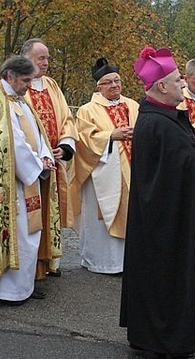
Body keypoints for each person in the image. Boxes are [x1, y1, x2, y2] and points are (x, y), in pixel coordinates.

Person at [120, 46, 195, 359]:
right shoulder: (156, 123)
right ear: (161, 86)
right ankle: (162, 342)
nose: (183, 84)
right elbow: (172, 169)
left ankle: (175, 339)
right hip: (164, 223)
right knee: (165, 279)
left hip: (177, 215)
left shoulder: (167, 118)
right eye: (178, 79)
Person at [0, 56, 60, 305]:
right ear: (10, 76)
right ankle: (10, 291)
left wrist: (44, 155)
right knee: (17, 234)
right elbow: (11, 145)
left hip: (27, 179)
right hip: (10, 185)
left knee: (30, 233)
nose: (29, 85)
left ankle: (26, 285)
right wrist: (36, 164)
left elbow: (36, 132)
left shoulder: (18, 100)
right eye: (25, 80)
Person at [71, 57, 139, 274]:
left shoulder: (133, 105)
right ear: (98, 86)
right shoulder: (87, 110)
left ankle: (127, 261)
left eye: (117, 81)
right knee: (99, 219)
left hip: (131, 169)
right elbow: (84, 139)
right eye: (108, 82)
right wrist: (111, 136)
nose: (114, 86)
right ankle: (100, 261)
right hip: (102, 174)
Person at [21, 38, 77, 278]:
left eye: (47, 58)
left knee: (51, 211)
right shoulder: (17, 87)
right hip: (30, 163)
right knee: (31, 215)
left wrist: (64, 147)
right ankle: (32, 267)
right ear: (27, 59)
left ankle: (49, 260)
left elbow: (66, 119)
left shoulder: (52, 85)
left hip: (53, 160)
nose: (45, 63)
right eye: (40, 58)